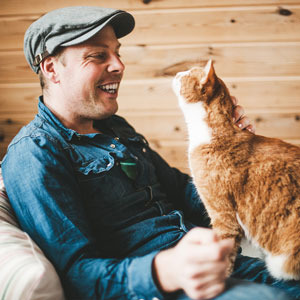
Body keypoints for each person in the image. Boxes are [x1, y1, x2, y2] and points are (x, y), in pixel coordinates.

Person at [1, 6, 299, 300]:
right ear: (51, 69)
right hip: (161, 288)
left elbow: (185, 193)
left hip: (224, 266)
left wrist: (236, 161)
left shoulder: (117, 129)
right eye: (98, 55)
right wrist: (166, 270)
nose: (119, 64)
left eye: (118, 52)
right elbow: (79, 275)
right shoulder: (35, 153)